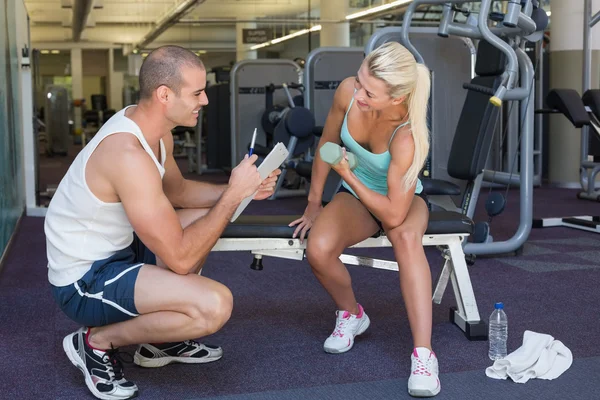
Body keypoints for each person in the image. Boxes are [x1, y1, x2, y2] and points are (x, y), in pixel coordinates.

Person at [45, 45, 280, 400]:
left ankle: (157, 341)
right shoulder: (127, 154)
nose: (205, 101)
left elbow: (180, 192)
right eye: (197, 93)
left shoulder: (154, 130)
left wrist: (240, 190)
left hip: (120, 249)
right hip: (84, 279)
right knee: (214, 306)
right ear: (164, 95)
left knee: (205, 216)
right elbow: (182, 258)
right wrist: (232, 196)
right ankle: (95, 342)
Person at [290, 42, 440, 397]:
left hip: (402, 200)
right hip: (356, 196)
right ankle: (351, 313)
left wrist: (348, 173)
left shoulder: (407, 134)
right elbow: (327, 141)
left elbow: (392, 212)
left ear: (396, 98)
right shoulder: (347, 91)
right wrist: (314, 202)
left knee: (405, 238)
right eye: (359, 82)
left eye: (369, 92)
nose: (357, 93)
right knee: (319, 249)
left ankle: (424, 353)